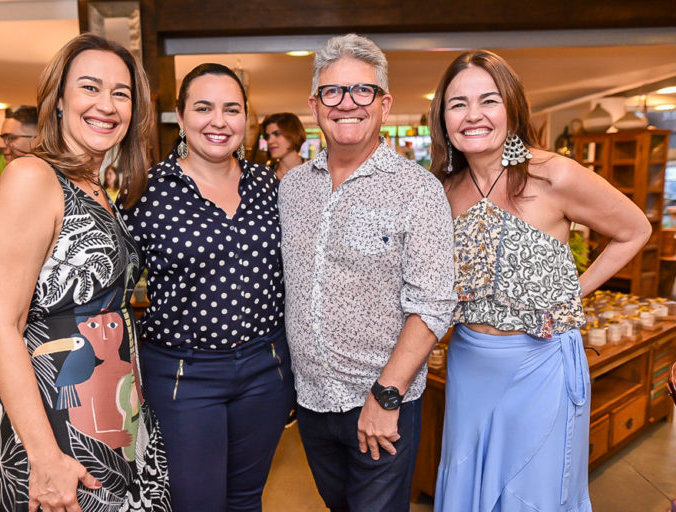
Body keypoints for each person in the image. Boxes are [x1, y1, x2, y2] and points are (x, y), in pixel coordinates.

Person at [428, 49, 651, 511]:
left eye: (488, 100)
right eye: (457, 104)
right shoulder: (444, 189)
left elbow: (635, 230)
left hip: (540, 365)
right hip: (470, 363)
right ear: (443, 117)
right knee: (468, 484)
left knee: (531, 495)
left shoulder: (553, 174)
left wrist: (574, 292)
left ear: (511, 106)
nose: (473, 115)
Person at [0, 33, 170, 512]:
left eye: (120, 93)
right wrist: (45, 460)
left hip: (117, 422)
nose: (106, 105)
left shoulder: (95, 186)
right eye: (89, 87)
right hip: (59, 433)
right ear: (59, 101)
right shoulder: (31, 177)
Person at [278, 33, 456, 512]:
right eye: (333, 92)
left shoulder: (417, 190)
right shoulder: (291, 189)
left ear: (384, 102)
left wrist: (386, 395)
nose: (347, 104)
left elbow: (434, 303)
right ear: (315, 105)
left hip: (381, 403)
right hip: (312, 402)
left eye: (363, 91)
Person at [120, 63, 295, 512]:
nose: (219, 121)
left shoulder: (269, 185)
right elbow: (111, 284)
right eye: (203, 107)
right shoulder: (146, 189)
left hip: (266, 368)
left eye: (231, 109)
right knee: (196, 502)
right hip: (183, 374)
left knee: (245, 499)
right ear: (180, 118)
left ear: (246, 119)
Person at [261, 112, 306, 180]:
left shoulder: (316, 171)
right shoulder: (265, 175)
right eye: (267, 136)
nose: (269, 141)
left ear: (293, 135)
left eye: (277, 134)